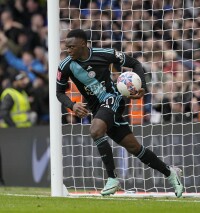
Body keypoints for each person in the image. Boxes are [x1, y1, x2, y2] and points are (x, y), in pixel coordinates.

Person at [56, 29, 184, 197]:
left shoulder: (104, 54)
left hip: (113, 99)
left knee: (95, 130)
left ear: (83, 45)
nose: (68, 50)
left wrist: (143, 86)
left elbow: (135, 64)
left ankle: (112, 178)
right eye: (67, 47)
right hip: (99, 109)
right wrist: (72, 106)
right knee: (134, 147)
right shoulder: (65, 66)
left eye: (72, 47)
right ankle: (170, 172)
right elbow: (59, 93)